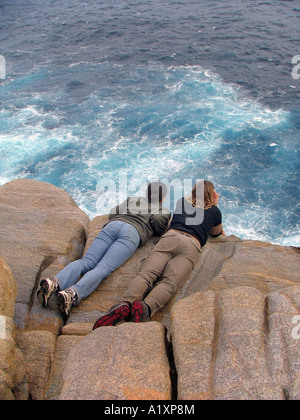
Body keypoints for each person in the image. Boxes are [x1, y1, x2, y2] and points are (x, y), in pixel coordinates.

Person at [93, 180, 225, 329]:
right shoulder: (215, 211)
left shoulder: (182, 202)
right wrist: (214, 203)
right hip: (190, 245)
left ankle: (125, 303)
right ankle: (146, 308)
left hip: (170, 238)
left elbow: (174, 220)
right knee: (168, 283)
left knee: (145, 275)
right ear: (212, 194)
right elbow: (216, 233)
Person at [37, 182, 171, 315]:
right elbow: (158, 225)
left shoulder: (133, 199)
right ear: (162, 197)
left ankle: (54, 282)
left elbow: (113, 213)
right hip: (131, 233)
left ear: (147, 193)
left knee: (87, 261)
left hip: (113, 225)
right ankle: (72, 294)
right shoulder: (162, 210)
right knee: (103, 267)